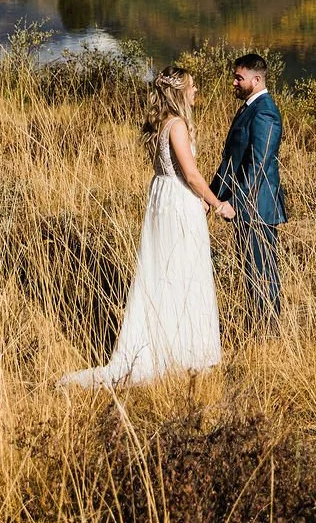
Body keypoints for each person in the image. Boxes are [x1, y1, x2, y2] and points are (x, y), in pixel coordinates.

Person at [60, 67, 230, 387]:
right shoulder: (177, 125)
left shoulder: (159, 123)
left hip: (162, 196)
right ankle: (184, 352)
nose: (196, 92)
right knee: (184, 273)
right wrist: (216, 202)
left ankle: (174, 347)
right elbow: (191, 175)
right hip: (178, 201)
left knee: (166, 272)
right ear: (179, 92)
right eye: (193, 87)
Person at [211, 52, 286, 329]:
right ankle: (258, 326)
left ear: (256, 79)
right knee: (250, 269)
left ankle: (268, 333)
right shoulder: (248, 108)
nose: (234, 82)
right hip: (246, 206)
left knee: (262, 270)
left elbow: (259, 163)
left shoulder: (265, 111)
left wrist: (236, 203)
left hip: (258, 206)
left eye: (238, 77)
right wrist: (212, 195)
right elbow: (231, 160)